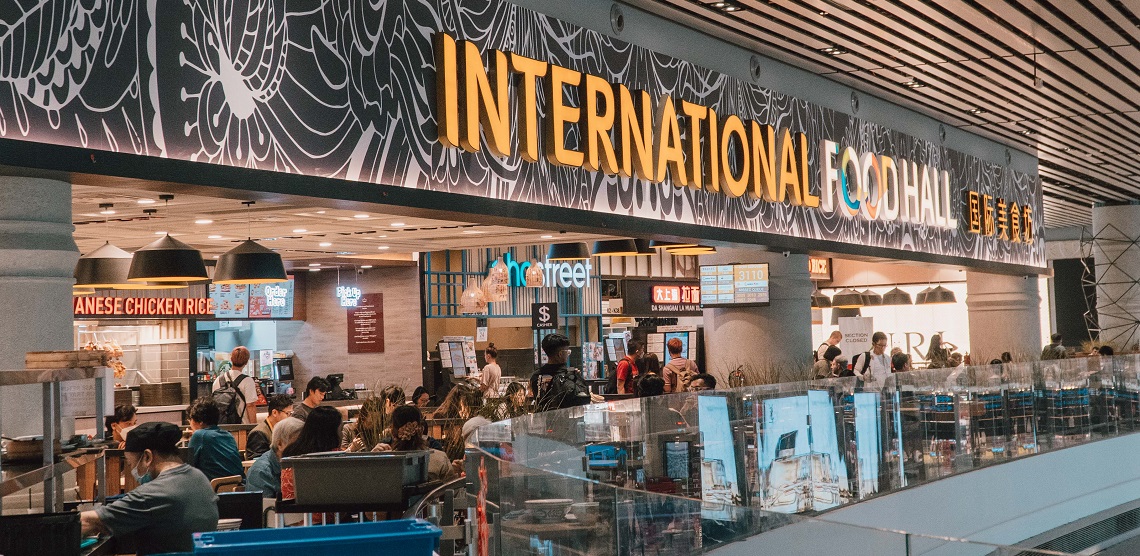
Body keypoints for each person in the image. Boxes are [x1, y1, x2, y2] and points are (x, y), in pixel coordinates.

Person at [80, 422, 218, 555]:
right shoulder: (199, 477)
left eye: (131, 463)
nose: (133, 470)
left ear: (147, 456)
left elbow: (87, 521)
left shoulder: (152, 494)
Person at [280, 406, 343, 500]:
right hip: (326, 512)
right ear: (332, 432)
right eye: (340, 429)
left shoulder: (290, 453)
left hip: (290, 512)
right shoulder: (334, 458)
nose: (341, 434)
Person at [387, 405, 459, 482]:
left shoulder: (385, 462)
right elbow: (452, 490)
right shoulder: (440, 458)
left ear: (393, 431)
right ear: (421, 428)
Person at [530, 333, 592, 411]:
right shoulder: (570, 376)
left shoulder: (536, 376)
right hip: (567, 420)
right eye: (567, 352)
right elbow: (583, 399)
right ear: (560, 354)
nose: (568, 354)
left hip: (544, 419)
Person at [187, 397, 245, 481]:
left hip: (214, 489)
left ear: (200, 421)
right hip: (238, 486)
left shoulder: (199, 435)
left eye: (190, 419)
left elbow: (189, 466)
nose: (190, 424)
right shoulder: (228, 435)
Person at [246, 416, 304, 499]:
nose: (301, 449)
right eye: (296, 445)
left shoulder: (300, 466)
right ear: (279, 444)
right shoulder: (261, 472)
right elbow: (263, 509)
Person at [211, 346, 258, 424]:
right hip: (241, 427)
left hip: (222, 427)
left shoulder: (218, 380)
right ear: (246, 362)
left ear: (231, 359)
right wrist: (253, 427)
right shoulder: (248, 381)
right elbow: (250, 405)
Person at [245, 394, 293, 460]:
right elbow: (257, 461)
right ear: (274, 413)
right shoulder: (258, 433)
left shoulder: (283, 430)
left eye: (291, 414)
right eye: (287, 413)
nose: (289, 417)